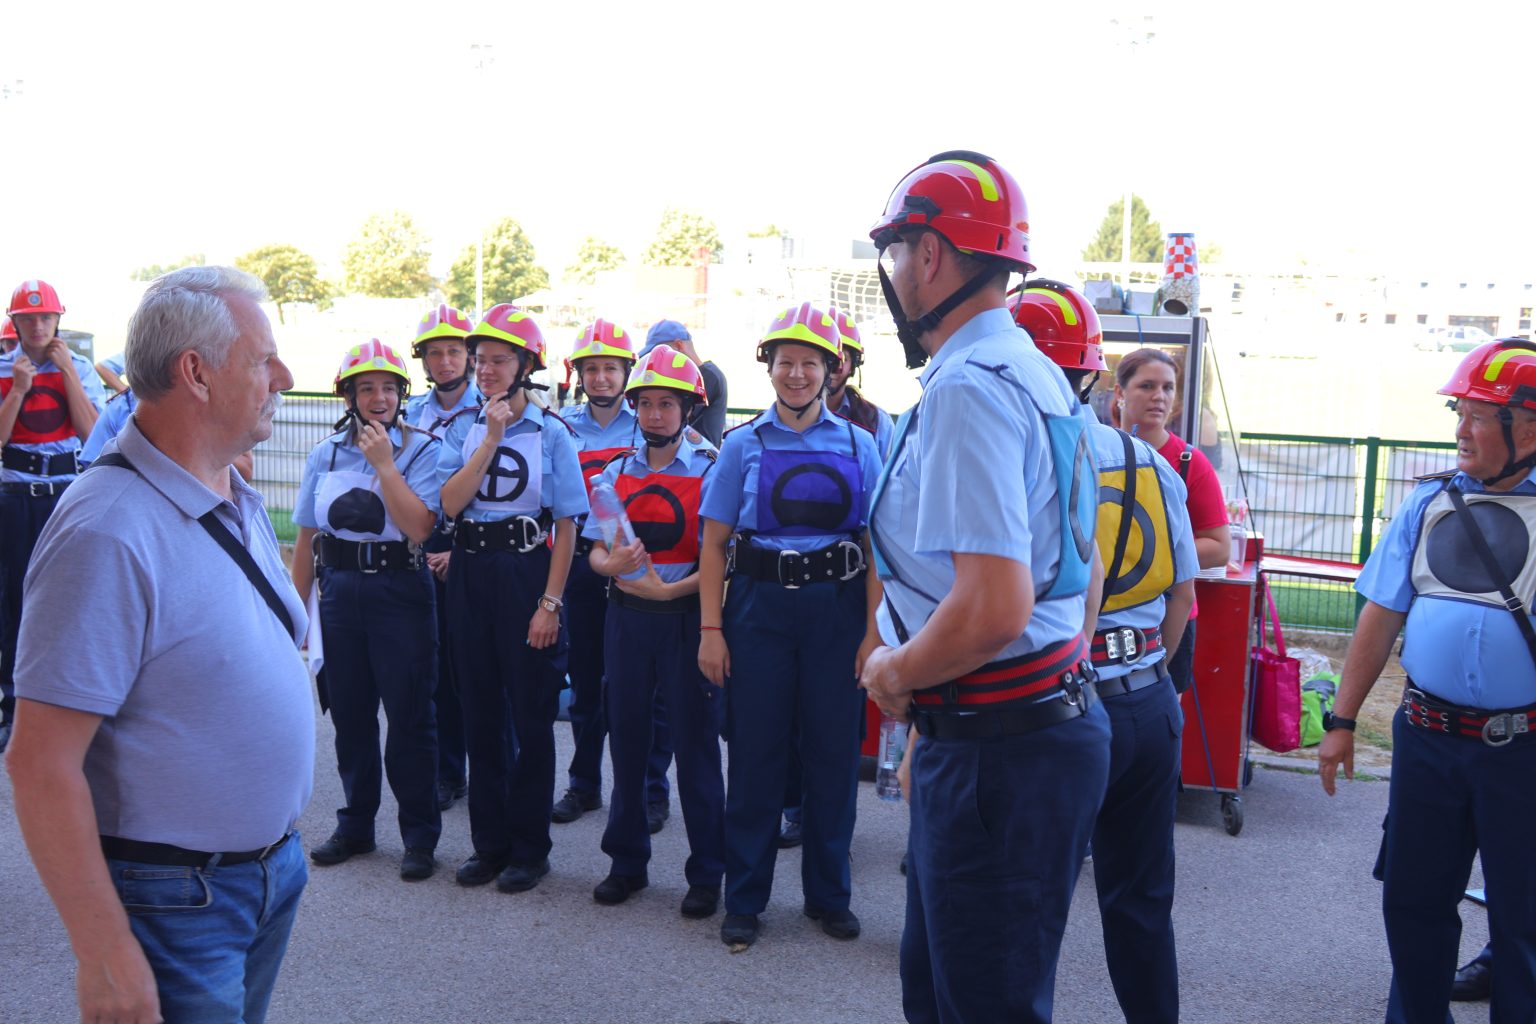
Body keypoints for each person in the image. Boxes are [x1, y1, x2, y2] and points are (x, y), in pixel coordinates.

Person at [6, 265, 309, 1023]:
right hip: (178, 902)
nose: (285, 375)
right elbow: (40, 761)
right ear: (197, 374)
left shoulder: (226, 488)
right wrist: (103, 950)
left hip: (260, 875)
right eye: (261, 358)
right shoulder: (107, 529)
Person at [857, 151, 1111, 1024]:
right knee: (950, 993)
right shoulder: (1031, 369)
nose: (891, 277)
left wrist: (900, 675)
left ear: (928, 256)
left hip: (1002, 746)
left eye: (894, 255)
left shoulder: (969, 385)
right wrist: (942, 716)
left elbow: (997, 604)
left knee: (979, 1003)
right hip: (1007, 728)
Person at [1318, 337, 1536, 1023]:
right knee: (1412, 903)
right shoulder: (1428, 504)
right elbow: (1379, 618)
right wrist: (1343, 721)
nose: (1459, 431)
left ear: (1528, 426)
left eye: (1476, 414)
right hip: (1428, 740)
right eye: (1459, 412)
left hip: (1524, 752)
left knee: (1525, 919)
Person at [1018, 279, 1197, 1024]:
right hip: (1145, 695)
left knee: (1028, 907)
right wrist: (1148, 671)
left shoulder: (1025, 458)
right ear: (1093, 375)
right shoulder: (1151, 461)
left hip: (1055, 702)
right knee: (1142, 903)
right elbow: (1184, 592)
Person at [698, 301, 883, 949]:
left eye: (809, 363)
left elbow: (877, 546)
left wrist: (872, 633)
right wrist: (711, 630)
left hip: (837, 612)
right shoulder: (741, 445)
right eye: (786, 363)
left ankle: (829, 896)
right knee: (755, 756)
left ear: (832, 371)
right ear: (768, 368)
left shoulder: (863, 444)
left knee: (833, 755)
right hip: (758, 612)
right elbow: (714, 544)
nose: (797, 374)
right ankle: (744, 898)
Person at [436, 303, 587, 894]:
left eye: (500, 360)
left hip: (527, 573)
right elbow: (448, 505)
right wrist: (490, 440)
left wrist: (550, 604)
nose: (486, 371)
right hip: (471, 571)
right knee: (479, 712)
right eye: (481, 361)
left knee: (529, 714)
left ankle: (529, 847)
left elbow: (569, 525)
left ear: (526, 366)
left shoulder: (553, 434)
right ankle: (488, 844)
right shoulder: (462, 428)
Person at [291, 339, 443, 881]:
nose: (378, 398)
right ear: (349, 396)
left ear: (402, 395)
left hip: (399, 591)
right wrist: (295, 615)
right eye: (366, 388)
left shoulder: (425, 449)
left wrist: (384, 462)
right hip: (339, 592)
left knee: (410, 720)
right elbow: (307, 536)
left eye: (387, 387)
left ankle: (419, 836)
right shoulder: (324, 453)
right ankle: (356, 825)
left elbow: (420, 528)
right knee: (350, 717)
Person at [583, 344, 725, 917]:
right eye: (646, 404)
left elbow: (723, 563)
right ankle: (626, 862)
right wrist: (607, 566)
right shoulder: (616, 470)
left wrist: (670, 592)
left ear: (689, 409)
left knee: (695, 748)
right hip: (627, 620)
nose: (656, 415)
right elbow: (597, 550)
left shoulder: (714, 467)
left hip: (686, 620)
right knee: (630, 740)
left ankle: (707, 873)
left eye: (668, 404)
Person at [555, 319, 674, 833]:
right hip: (585, 565)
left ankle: (651, 791)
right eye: (592, 368)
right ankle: (584, 784)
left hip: (639, 569)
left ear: (628, 373)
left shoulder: (650, 422)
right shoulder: (560, 426)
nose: (601, 377)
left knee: (650, 690)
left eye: (611, 368)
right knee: (585, 683)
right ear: (579, 374)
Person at [0, 279, 106, 753]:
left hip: (66, 492)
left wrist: (64, 372)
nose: (38, 325)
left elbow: (91, 434)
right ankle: (13, 708)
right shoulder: (5, 369)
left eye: (46, 317)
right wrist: (19, 390)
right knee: (13, 602)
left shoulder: (79, 367)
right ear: (16, 322)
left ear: (58, 320)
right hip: (15, 494)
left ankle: (73, 706)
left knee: (71, 598)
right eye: (29, 317)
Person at [1112, 348, 1229, 693]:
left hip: (1168, 618)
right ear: (1119, 392)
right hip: (1102, 616)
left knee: (1158, 718)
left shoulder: (1190, 462)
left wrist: (1145, 554)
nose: (1159, 397)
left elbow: (1219, 547)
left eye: (1168, 387)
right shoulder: (1094, 450)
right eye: (1147, 386)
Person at [403, 303, 479, 812]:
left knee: (478, 670)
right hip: (421, 549)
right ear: (424, 361)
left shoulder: (493, 408)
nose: (446, 361)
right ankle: (448, 773)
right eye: (436, 353)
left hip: (473, 552)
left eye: (454, 351)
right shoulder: (410, 415)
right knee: (433, 673)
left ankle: (499, 769)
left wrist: (458, 549)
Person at [643, 320, 728, 446]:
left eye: (663, 351)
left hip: (700, 460)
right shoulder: (707, 374)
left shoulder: (708, 376)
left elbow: (675, 418)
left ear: (678, 345)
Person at [824, 308, 895, 457]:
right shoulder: (781, 420)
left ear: (854, 365)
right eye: (824, 358)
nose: (832, 368)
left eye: (842, 359)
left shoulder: (878, 422)